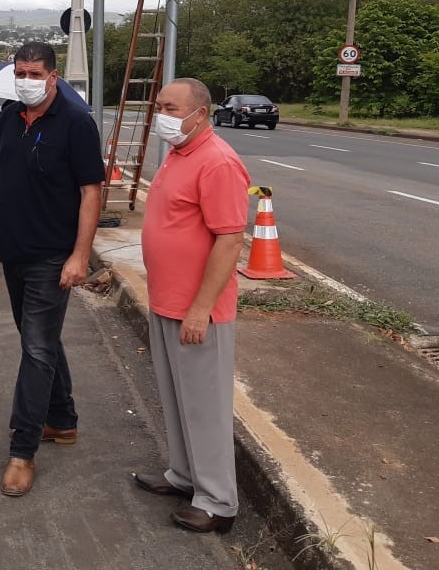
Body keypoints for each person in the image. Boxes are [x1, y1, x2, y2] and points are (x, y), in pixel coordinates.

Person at [0, 41, 105, 497]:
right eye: (21, 73)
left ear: (54, 78)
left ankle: (23, 450)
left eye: (35, 74)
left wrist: (80, 255)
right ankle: (62, 419)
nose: (27, 82)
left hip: (52, 254)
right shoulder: (9, 119)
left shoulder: (75, 124)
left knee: (35, 349)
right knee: (40, 340)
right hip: (14, 248)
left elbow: (91, 192)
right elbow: (1, 178)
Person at [136, 77, 249, 534]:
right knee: (176, 396)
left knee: (205, 405)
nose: (161, 113)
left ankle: (218, 502)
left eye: (171, 106)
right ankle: (185, 476)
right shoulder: (179, 154)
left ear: (199, 113)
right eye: (159, 104)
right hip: (166, 300)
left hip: (198, 309)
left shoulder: (218, 162)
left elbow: (230, 239)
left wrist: (201, 308)